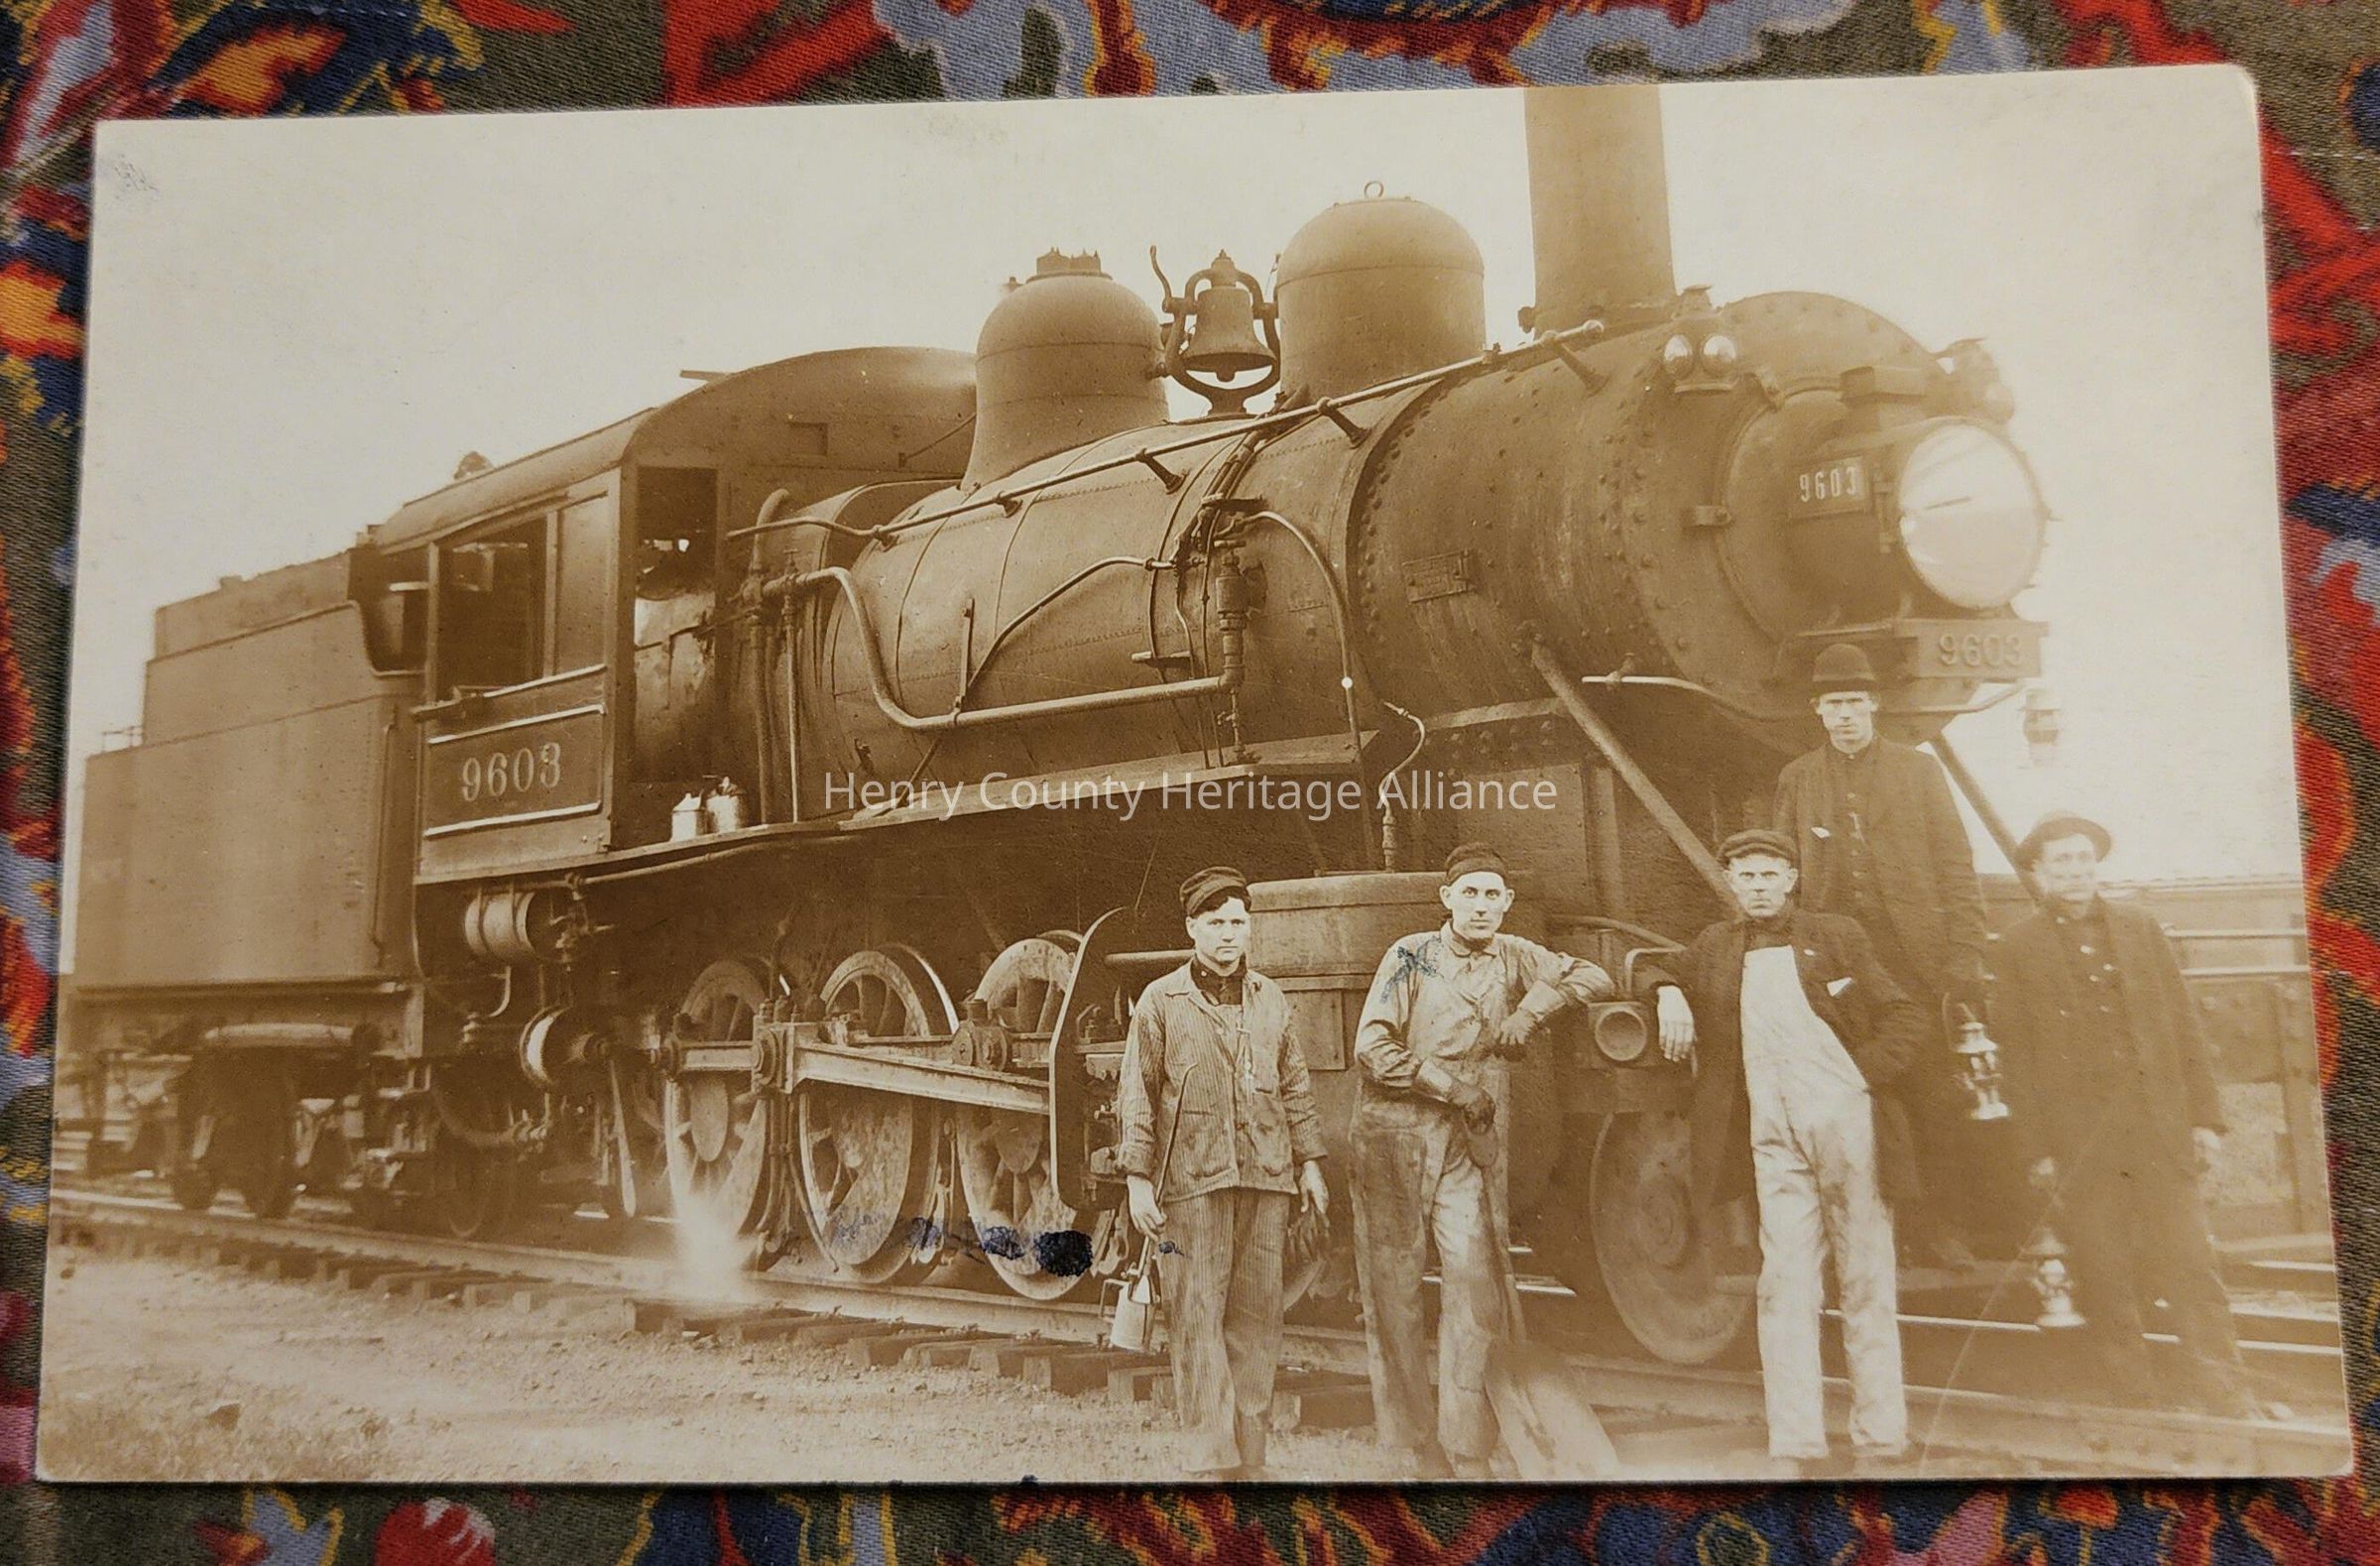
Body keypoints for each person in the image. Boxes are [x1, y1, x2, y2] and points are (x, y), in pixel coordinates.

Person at [1349, 841, 1656, 1479]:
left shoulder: (1515, 954)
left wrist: (1529, 1013)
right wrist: (1451, 1086)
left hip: (1465, 1141)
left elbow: (1590, 976)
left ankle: (1465, 1444)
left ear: (1507, 902)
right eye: (1470, 893)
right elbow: (1372, 1048)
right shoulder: (1410, 955)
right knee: (1394, 1292)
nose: (1481, 906)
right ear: (1447, 898)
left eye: (1493, 895)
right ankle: (1414, 1446)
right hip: (1394, 1136)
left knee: (1473, 1286)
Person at [1988, 810, 2264, 1419]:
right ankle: (2134, 1397)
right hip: (2081, 1139)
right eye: (2061, 861)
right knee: (2105, 1268)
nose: (2075, 871)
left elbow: (2184, 1028)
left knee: (2191, 1261)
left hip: (2158, 1130)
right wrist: (2037, 1148)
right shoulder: (2016, 948)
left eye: (2083, 859)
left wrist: (2204, 1120)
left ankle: (2226, 1392)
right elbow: (2017, 1059)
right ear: (2038, 872)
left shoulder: (2141, 929)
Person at [1673, 828, 1924, 1471]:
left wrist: (1860, 1073)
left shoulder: (1836, 935)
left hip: (1847, 1122)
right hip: (1773, 1134)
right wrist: (1666, 992)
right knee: (1784, 1284)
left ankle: (1882, 1436)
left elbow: (1905, 1014)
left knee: (1866, 1278)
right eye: (1746, 876)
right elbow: (1661, 968)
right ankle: (1795, 1441)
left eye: (1769, 875)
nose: (1758, 887)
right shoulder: (1714, 946)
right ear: (1731, 882)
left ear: (1790, 879)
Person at [1772, 641, 1990, 1266]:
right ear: (1817, 711)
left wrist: (1965, 953)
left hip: (1913, 959)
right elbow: (1785, 868)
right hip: (1839, 964)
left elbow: (1956, 865)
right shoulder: (1798, 778)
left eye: (1853, 701)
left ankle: (1942, 1229)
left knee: (1933, 1094)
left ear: (1874, 704)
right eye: (1833, 704)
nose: (1844, 714)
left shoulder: (1919, 772)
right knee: (1855, 1095)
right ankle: (1869, 1234)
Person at [1114, 865, 1332, 1480]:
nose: (1229, 934)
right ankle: (1212, 1458)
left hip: (1265, 1176)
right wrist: (1137, 1180)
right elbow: (1137, 1094)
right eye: (1216, 923)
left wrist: (1310, 1163)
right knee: (1196, 1316)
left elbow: (1295, 1086)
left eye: (1238, 923)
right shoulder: (1160, 1001)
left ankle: (1251, 1457)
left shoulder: (1270, 998)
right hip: (1191, 1182)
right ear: (1192, 928)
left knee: (1259, 1318)